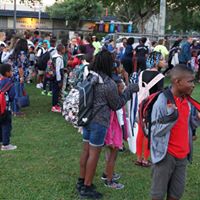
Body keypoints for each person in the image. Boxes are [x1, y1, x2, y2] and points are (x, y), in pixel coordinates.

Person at [76, 49, 139, 199]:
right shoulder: (108, 83)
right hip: (99, 122)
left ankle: (81, 180)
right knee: (94, 154)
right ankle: (87, 186)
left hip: (87, 119)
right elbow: (116, 104)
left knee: (86, 151)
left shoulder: (91, 76)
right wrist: (129, 91)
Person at [150, 64, 200, 200]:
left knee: (175, 194)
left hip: (182, 156)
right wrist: (172, 116)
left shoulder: (187, 101)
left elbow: (189, 124)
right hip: (165, 155)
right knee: (158, 195)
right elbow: (155, 130)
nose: (193, 85)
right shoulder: (162, 101)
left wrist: (196, 119)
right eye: (190, 81)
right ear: (177, 82)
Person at [135, 51, 165, 167]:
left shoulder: (142, 73)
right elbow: (159, 94)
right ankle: (145, 159)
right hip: (152, 106)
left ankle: (138, 158)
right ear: (156, 61)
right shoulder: (160, 76)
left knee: (141, 131)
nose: (164, 62)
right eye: (162, 59)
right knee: (149, 132)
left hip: (141, 105)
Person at [102, 76, 128, 189]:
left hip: (113, 132)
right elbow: (110, 122)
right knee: (113, 156)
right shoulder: (114, 104)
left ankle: (107, 173)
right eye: (121, 89)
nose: (122, 91)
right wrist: (110, 139)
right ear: (115, 88)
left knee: (109, 155)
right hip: (113, 134)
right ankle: (109, 181)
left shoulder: (113, 100)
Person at [0, 64, 16, 150]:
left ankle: (1, 141)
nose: (12, 72)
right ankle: (6, 144)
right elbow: (12, 96)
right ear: (7, 73)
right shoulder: (9, 83)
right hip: (5, 108)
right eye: (11, 71)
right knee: (6, 124)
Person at [51, 44, 65, 113]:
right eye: (64, 49)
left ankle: (56, 104)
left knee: (55, 91)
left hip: (53, 76)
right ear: (61, 50)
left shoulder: (54, 56)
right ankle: (54, 106)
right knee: (56, 92)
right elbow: (57, 70)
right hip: (57, 77)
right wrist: (59, 80)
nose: (64, 50)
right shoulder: (59, 58)